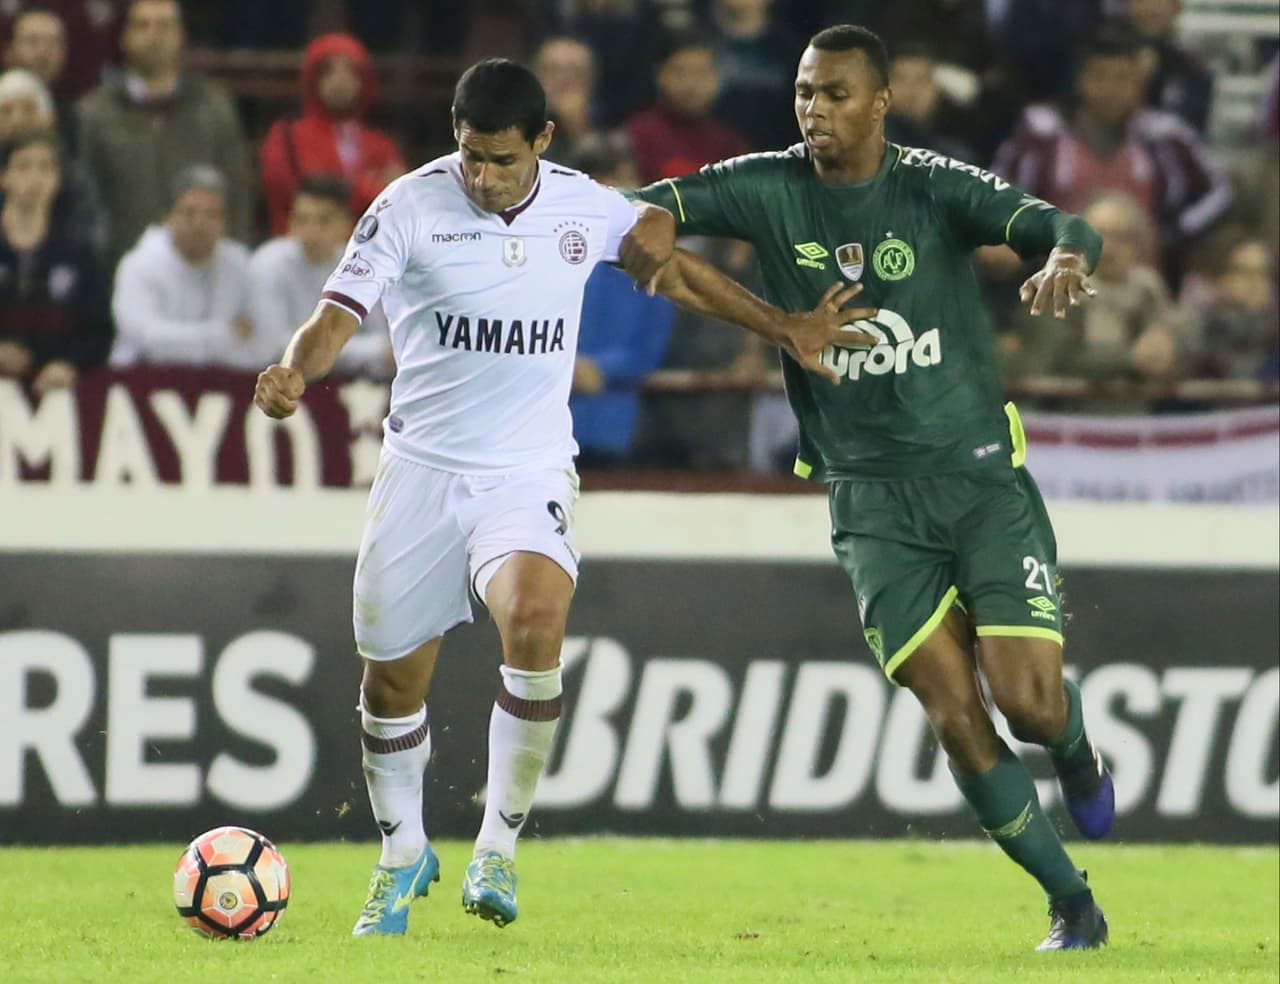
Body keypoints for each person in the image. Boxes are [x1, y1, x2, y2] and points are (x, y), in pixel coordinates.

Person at [254, 55, 873, 939]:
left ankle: (498, 846)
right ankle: (401, 855)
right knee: (393, 684)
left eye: (501, 159)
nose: (481, 175)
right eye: (469, 154)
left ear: (542, 142)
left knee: (537, 620)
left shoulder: (586, 207)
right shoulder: (407, 205)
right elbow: (337, 315)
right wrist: (291, 371)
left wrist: (786, 327)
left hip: (527, 471)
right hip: (422, 472)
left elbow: (676, 270)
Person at [633, 24, 1114, 951]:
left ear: (881, 102)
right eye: (806, 91)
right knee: (956, 715)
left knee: (1028, 703)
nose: (815, 109)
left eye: (836, 94)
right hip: (868, 500)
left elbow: (1062, 223)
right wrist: (666, 240)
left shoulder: (934, 186)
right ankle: (1072, 903)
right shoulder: (767, 184)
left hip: (978, 481)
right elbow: (639, 215)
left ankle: (1077, 750)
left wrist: (1064, 256)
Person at [992, 21, 1230, 281]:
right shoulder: (1042, 132)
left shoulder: (1166, 137)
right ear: (1081, 80)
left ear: (1140, 84)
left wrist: (1177, 231)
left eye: (1123, 78)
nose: (1111, 89)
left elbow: (1219, 193)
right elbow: (997, 194)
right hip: (1057, 281)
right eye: (1100, 76)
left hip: (1143, 284)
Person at [77, 0, 252, 264]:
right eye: (142, 26)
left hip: (203, 266)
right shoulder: (94, 113)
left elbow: (237, 191)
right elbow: (88, 197)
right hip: (117, 264)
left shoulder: (213, 107)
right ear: (125, 37)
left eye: (164, 26)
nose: (153, 36)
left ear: (180, 35)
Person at [1002, 191, 1183, 412]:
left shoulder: (1148, 290)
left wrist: (1170, 349)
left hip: (1134, 421)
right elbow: (1052, 364)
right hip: (1067, 420)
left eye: (1121, 237)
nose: (1109, 246)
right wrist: (1129, 358)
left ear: (1139, 244)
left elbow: (1177, 345)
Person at [569, 130, 674, 466]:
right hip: (544, 427)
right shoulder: (546, 251)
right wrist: (563, 366)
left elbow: (652, 347)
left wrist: (599, 368)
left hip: (617, 429)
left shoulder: (652, 259)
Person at [246, 173, 392, 377]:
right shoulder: (269, 263)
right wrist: (373, 350)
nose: (311, 230)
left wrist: (377, 349)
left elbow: (384, 339)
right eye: (301, 219)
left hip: (349, 382)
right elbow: (273, 345)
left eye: (324, 221)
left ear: (347, 224)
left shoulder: (364, 265)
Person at [259, 32, 405, 237]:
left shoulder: (380, 142)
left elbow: (401, 201)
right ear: (313, 78)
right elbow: (315, 195)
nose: (340, 81)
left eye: (351, 72)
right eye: (329, 71)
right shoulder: (287, 136)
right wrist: (371, 188)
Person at [109, 164, 254, 369]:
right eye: (189, 213)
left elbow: (252, 339)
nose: (199, 223)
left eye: (211, 215)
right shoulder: (138, 265)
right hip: (142, 376)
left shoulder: (240, 263)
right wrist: (223, 335)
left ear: (224, 223)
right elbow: (148, 340)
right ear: (168, 217)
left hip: (218, 379)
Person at [0, 128, 111, 393]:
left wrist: (68, 364)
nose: (35, 178)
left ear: (57, 179)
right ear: (4, 177)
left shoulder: (77, 253)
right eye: (24, 166)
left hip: (54, 400)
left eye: (45, 168)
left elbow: (98, 331)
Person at [622, 28, 747, 184]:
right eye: (680, 72)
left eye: (701, 73)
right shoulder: (636, 137)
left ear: (716, 78)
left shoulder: (728, 142)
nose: (691, 84)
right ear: (660, 75)